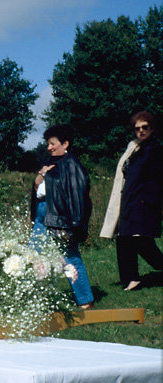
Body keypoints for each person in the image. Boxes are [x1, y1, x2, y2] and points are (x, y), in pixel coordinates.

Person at [30, 125, 94, 309]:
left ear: (65, 144)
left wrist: (74, 223)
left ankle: (85, 301)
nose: (49, 147)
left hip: (59, 218)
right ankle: (34, 301)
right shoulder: (51, 163)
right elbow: (38, 189)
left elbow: (77, 195)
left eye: (53, 144)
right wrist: (40, 177)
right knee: (34, 256)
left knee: (70, 258)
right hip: (43, 216)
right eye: (48, 144)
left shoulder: (71, 164)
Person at [100, 111, 163, 291]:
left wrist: (150, 202)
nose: (141, 131)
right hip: (127, 198)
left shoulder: (155, 149)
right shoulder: (133, 147)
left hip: (143, 201)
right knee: (124, 238)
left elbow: (157, 179)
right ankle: (131, 279)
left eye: (145, 127)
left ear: (151, 128)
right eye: (137, 129)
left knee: (141, 240)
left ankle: (159, 265)